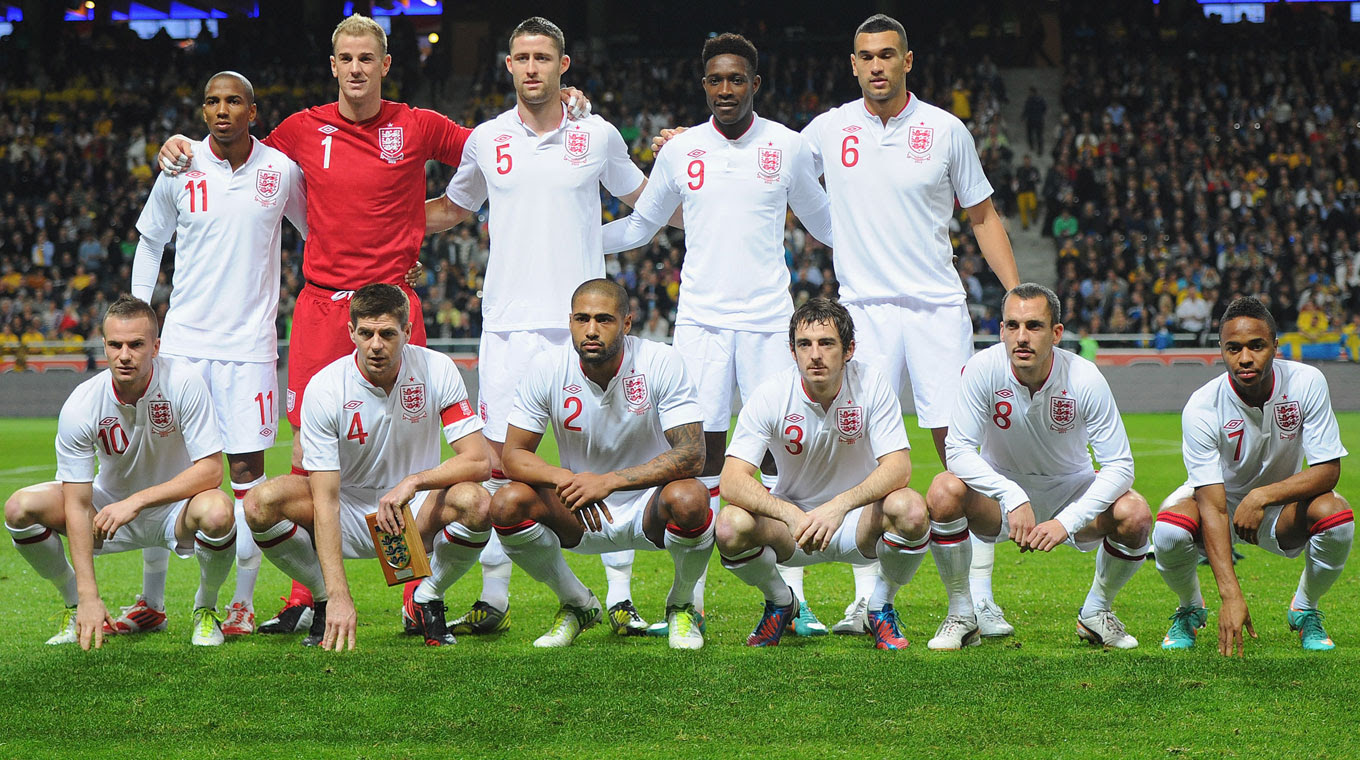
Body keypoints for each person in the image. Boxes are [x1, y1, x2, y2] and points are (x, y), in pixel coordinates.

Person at [158, 14, 584, 633]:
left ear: (385, 65)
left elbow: (499, 148)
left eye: (367, 58)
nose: (356, 68)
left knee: (407, 450)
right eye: (346, 58)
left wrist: (563, 109)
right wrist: (182, 146)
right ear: (333, 66)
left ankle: (413, 588)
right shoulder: (300, 130)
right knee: (307, 454)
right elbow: (238, 157)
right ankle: (311, 595)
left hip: (391, 308)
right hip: (322, 307)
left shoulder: (418, 125)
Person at [600, 32, 835, 637]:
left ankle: (793, 600)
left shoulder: (787, 146)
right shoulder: (682, 152)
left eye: (736, 79)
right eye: (714, 80)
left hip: (767, 324)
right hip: (701, 325)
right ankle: (690, 603)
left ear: (755, 83)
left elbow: (829, 224)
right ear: (703, 85)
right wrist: (572, 242)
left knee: (782, 461)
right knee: (696, 463)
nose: (725, 89)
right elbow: (640, 228)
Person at [425, 17, 650, 638]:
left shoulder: (597, 134)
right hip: (509, 326)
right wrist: (376, 221)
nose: (532, 68)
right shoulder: (487, 140)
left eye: (542, 58)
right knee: (499, 464)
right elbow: (451, 209)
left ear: (563, 65)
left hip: (583, 325)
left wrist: (688, 159)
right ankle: (495, 598)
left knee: (602, 455)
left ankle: (621, 597)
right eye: (521, 57)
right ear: (508, 65)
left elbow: (648, 202)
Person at [799, 14, 1021, 635]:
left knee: (961, 452)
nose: (877, 65)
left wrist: (1016, 296)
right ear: (853, 64)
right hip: (863, 311)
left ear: (907, 61)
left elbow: (982, 216)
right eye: (866, 56)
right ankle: (865, 598)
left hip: (935, 308)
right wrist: (687, 136)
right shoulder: (829, 128)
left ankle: (976, 599)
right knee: (857, 450)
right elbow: (765, 154)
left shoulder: (945, 129)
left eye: (887, 54)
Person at [130, 71, 307, 638]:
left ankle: (241, 603)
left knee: (247, 476)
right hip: (183, 346)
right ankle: (151, 600)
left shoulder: (281, 171)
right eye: (212, 101)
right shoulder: (179, 168)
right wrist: (138, 315)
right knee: (165, 468)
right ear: (203, 111)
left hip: (249, 350)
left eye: (234, 101)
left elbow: (319, 233)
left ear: (253, 112)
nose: (222, 110)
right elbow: (150, 242)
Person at [242, 284, 492, 649]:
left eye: (387, 334)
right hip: (345, 508)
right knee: (258, 503)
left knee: (477, 502)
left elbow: (479, 460)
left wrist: (414, 482)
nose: (376, 345)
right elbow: (325, 500)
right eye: (366, 333)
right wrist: (338, 595)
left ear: (407, 331)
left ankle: (427, 597)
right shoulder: (326, 388)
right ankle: (322, 601)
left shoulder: (437, 369)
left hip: (413, 510)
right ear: (351, 332)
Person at [489, 279, 713, 649]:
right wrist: (564, 478)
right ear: (570, 322)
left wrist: (608, 481)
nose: (591, 330)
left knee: (691, 497)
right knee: (506, 502)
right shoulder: (547, 367)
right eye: (582, 319)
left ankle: (681, 604)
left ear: (626, 323)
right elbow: (513, 455)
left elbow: (692, 453)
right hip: (579, 508)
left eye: (604, 319)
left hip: (647, 508)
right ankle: (577, 603)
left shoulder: (660, 361)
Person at [924, 284, 1148, 650]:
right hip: (1000, 497)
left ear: (1056, 333)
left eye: (1034, 326)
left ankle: (1096, 611)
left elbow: (1120, 465)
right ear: (1001, 331)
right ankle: (962, 614)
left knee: (1135, 515)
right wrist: (1011, 495)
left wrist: (1068, 520)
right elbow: (958, 450)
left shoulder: (1084, 377)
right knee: (943, 490)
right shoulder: (982, 368)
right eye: (1012, 326)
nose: (1021, 337)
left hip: (1071, 491)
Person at [4, 296, 236, 648]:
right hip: (107, 513)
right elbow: (77, 503)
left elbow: (211, 470)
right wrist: (88, 595)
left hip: (175, 512)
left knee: (218, 511)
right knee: (18, 508)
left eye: (136, 345)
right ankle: (74, 605)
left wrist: (137, 501)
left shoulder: (184, 381)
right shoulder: (83, 403)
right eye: (115, 345)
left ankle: (205, 608)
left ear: (155, 347)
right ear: (104, 346)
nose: (124, 355)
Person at [716, 298, 930, 649]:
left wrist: (839, 506)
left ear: (849, 350)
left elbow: (898, 467)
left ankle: (880, 605)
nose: (815, 355)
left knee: (911, 509)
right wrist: (789, 513)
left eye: (827, 343)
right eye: (805, 344)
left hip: (857, 522)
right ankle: (781, 601)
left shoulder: (872, 384)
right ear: (792, 351)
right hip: (794, 528)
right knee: (729, 525)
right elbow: (732, 480)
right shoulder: (772, 394)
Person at [1152, 296, 1351, 654]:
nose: (1245, 358)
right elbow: (1212, 505)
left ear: (1275, 345)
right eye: (1234, 348)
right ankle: (1190, 607)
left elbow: (1327, 470)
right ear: (1221, 350)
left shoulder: (1306, 382)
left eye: (1256, 346)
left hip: (1278, 507)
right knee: (1168, 530)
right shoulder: (1202, 405)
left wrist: (1261, 496)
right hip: (1217, 504)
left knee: (1336, 518)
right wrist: (1231, 596)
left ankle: (1305, 608)